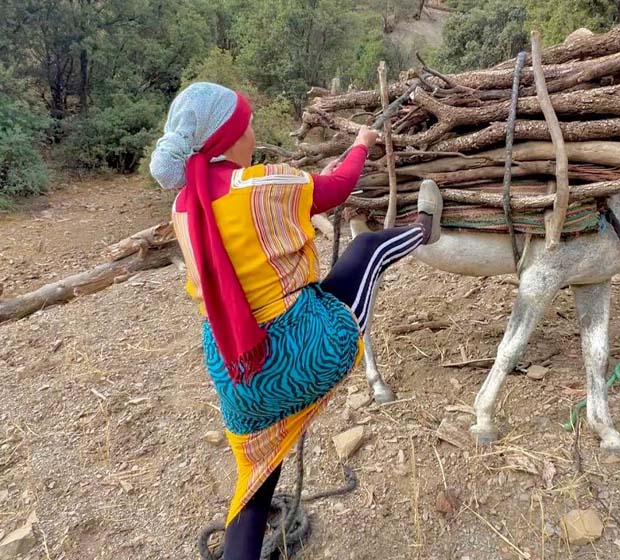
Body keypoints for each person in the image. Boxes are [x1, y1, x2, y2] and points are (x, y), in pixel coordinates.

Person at [149, 82, 442, 560]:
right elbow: (337, 188)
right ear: (226, 138)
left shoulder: (184, 206)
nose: (252, 134)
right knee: (367, 249)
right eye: (246, 126)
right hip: (295, 356)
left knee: (257, 483)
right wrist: (361, 145)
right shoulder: (264, 184)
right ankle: (423, 231)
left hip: (236, 371)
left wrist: (309, 181)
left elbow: (274, 206)